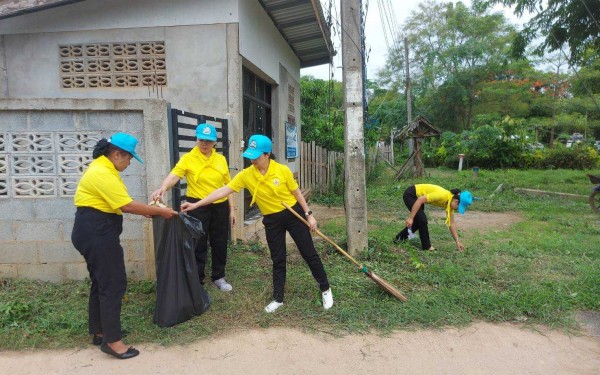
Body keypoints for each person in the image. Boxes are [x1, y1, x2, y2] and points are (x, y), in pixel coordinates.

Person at [180, 134, 333, 313]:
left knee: (309, 253)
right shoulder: (246, 175)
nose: (252, 159)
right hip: (271, 219)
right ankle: (278, 298)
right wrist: (196, 204)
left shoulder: (282, 170)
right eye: (250, 155)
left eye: (257, 156)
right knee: (278, 258)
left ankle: (325, 289)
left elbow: (297, 193)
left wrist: (309, 215)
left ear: (267, 155)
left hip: (292, 214)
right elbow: (222, 191)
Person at [71, 133, 178, 360]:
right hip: (97, 233)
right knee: (113, 284)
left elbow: (121, 204)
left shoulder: (104, 169)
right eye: (129, 158)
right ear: (117, 154)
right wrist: (161, 211)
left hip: (92, 230)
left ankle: (101, 332)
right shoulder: (102, 173)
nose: (129, 163)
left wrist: (151, 211)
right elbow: (127, 206)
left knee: (101, 282)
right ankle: (113, 342)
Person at [151, 123, 235, 292]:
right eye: (201, 140)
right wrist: (163, 188)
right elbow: (174, 176)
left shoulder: (220, 159)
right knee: (198, 242)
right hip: (197, 206)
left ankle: (219, 276)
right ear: (196, 139)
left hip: (219, 206)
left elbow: (229, 185)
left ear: (215, 142)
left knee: (219, 241)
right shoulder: (188, 158)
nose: (204, 144)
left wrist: (232, 209)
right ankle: (197, 278)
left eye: (208, 141)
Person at [393, 184, 472, 251]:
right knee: (422, 220)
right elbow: (420, 200)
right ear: (456, 201)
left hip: (418, 198)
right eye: (458, 207)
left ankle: (398, 239)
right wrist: (411, 218)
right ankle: (427, 247)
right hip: (411, 194)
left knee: (419, 222)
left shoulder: (450, 202)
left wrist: (457, 241)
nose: (457, 209)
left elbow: (452, 223)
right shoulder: (443, 195)